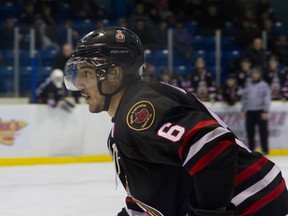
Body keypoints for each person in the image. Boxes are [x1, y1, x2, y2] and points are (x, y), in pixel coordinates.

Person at [64, 27, 288, 216]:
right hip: (259, 196)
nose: (80, 84)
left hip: (251, 202)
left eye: (87, 73)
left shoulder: (139, 110)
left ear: (114, 74)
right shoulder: (126, 121)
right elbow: (152, 193)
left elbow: (212, 146)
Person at [241, 67, 271, 155]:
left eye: (256, 73)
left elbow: (267, 98)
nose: (254, 75)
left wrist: (265, 111)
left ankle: (265, 150)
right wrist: (243, 108)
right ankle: (251, 149)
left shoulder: (264, 85)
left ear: (259, 74)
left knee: (263, 131)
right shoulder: (248, 84)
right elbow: (244, 98)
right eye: (253, 73)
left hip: (260, 111)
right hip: (250, 111)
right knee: (250, 131)